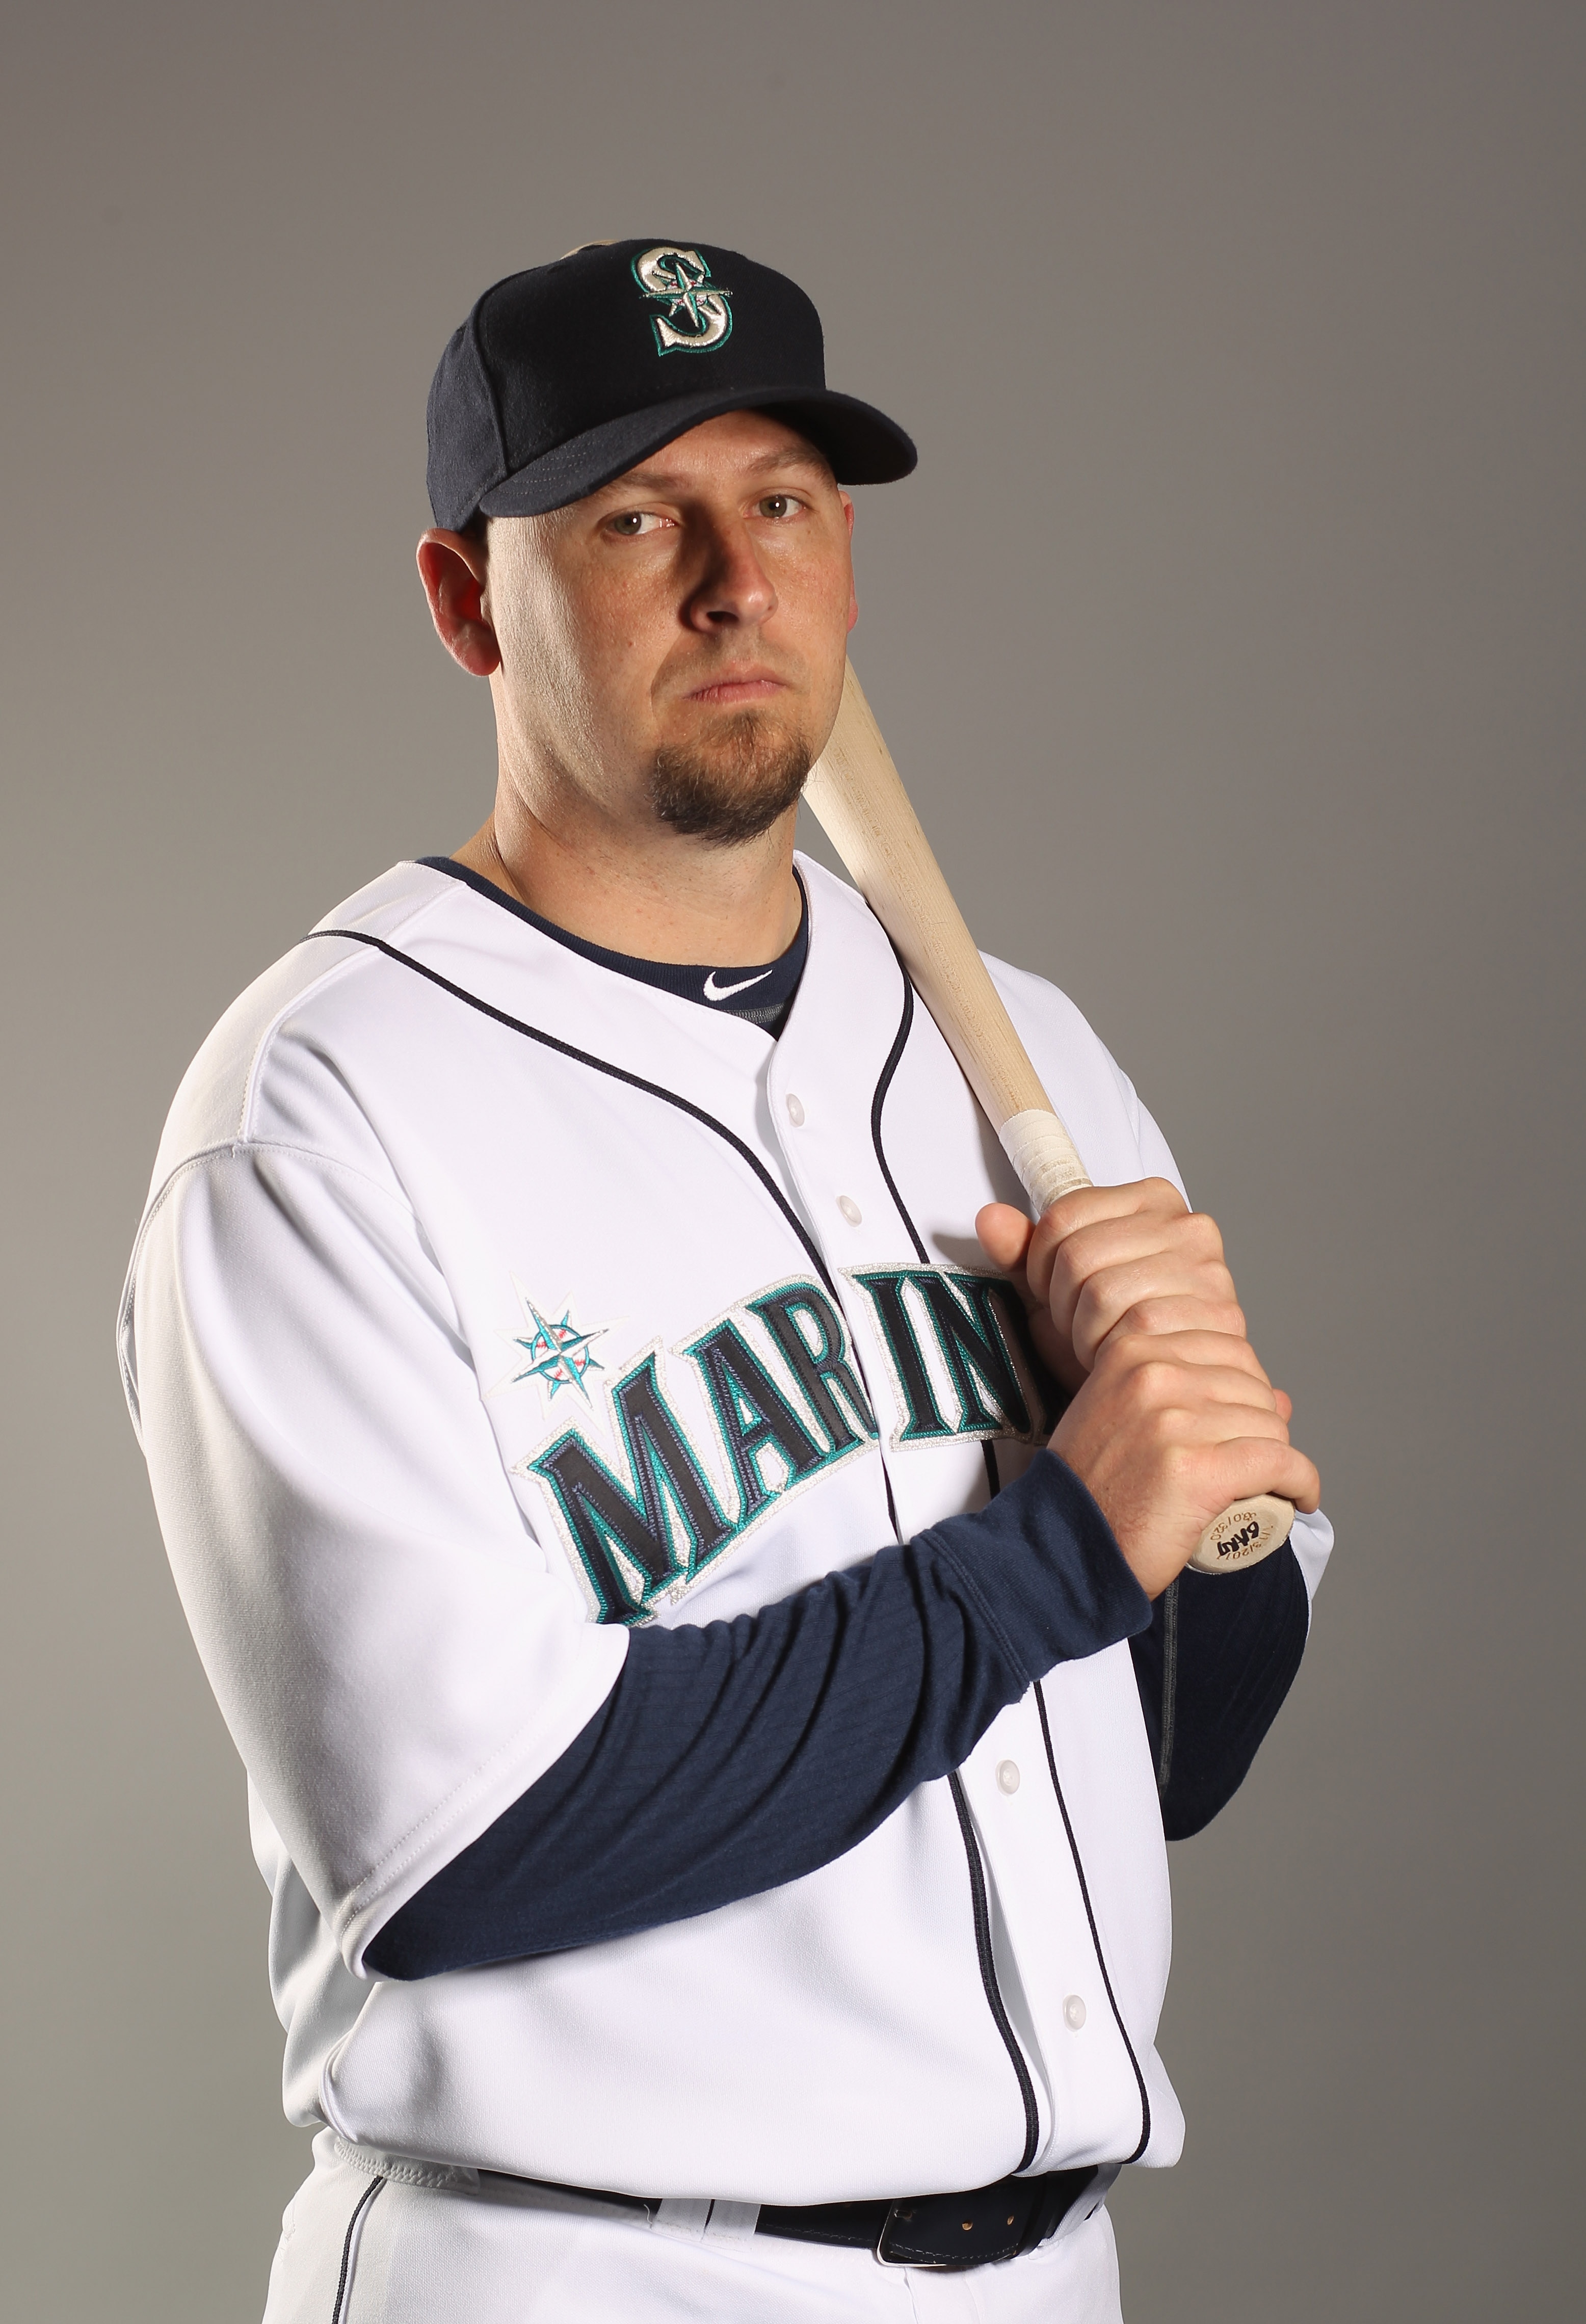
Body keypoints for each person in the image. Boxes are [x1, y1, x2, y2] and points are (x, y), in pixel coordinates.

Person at [118, 241, 1328, 2323]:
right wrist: (1060, 1548)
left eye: (778, 503)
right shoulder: (322, 1110)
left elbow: (1175, 1762)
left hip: (1050, 2273)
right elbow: (465, 1844)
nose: (729, 581)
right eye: (631, 517)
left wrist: (1191, 1531)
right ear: (460, 600)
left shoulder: (1011, 1051)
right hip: (578, 2270)